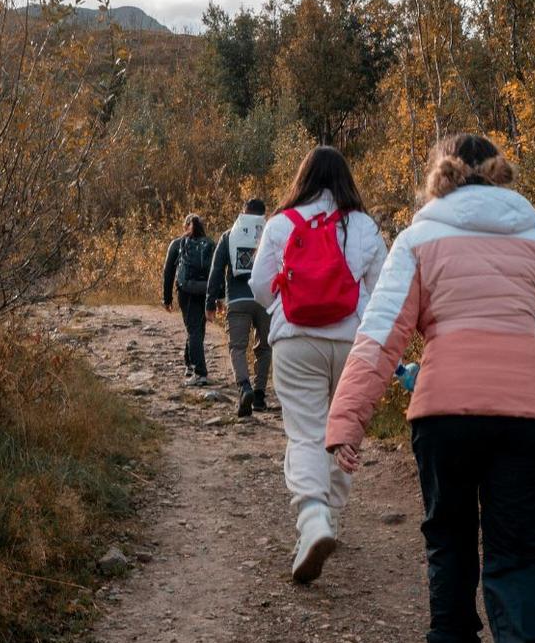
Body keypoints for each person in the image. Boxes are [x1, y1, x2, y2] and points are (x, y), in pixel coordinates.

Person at [322, 134, 535, 643]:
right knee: (515, 552)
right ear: (501, 175)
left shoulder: (421, 239)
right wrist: (524, 336)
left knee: (449, 539)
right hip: (526, 415)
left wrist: (348, 421)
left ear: (439, 177)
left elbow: (382, 335)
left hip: (445, 411)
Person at [247, 147, 387, 584]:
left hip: (296, 342)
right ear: (346, 180)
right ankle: (332, 516)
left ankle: (313, 519)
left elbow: (257, 285)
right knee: (342, 431)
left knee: (306, 432)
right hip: (352, 344)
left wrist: (287, 310)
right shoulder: (364, 226)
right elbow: (383, 291)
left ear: (303, 179)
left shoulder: (280, 224)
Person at [205, 198, 273, 417]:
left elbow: (216, 271)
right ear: (264, 214)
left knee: (237, 347)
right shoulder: (270, 233)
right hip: (265, 300)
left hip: (237, 300)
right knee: (264, 347)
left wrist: (210, 302)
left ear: (243, 211)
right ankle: (260, 396)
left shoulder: (229, 236)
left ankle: (244, 387)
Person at [161, 214, 215, 384]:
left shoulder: (177, 244)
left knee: (193, 330)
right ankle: (189, 365)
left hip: (186, 292)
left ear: (185, 226)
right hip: (205, 290)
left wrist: (167, 298)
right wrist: (217, 296)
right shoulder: (210, 244)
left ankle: (200, 373)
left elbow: (168, 272)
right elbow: (217, 272)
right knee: (197, 328)